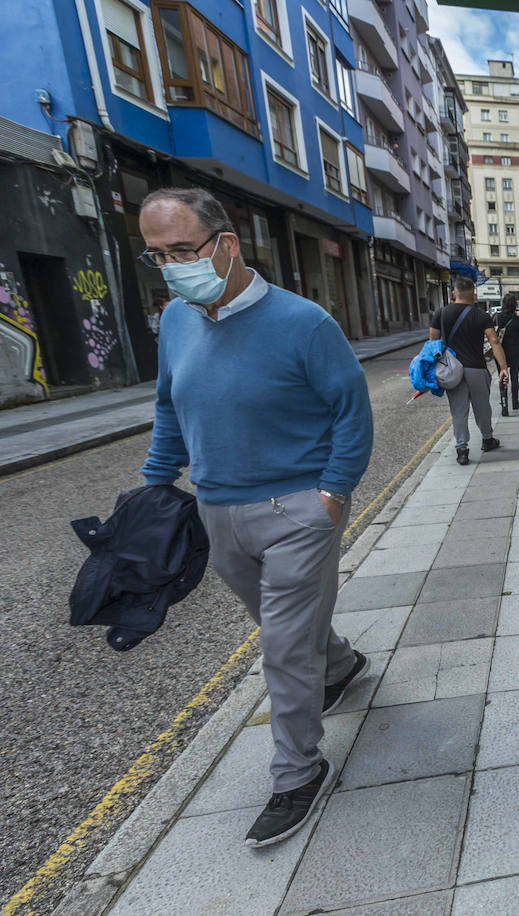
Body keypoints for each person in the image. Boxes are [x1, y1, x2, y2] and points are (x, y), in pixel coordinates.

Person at [137, 187, 374, 848]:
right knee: (279, 626)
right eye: (157, 255)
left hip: (297, 509)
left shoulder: (303, 323)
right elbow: (168, 407)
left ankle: (298, 770)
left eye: (181, 250)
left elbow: (351, 411)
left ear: (227, 245)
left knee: (279, 645)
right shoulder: (178, 322)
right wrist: (154, 484)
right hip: (218, 511)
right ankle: (339, 664)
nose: (171, 266)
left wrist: (332, 492)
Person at [430, 275, 508, 465]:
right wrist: (503, 368)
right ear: (474, 294)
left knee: (458, 410)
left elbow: (433, 344)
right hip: (477, 368)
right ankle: (487, 439)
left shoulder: (441, 313)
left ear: (454, 293)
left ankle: (462, 450)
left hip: (452, 371)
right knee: (482, 406)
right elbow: (494, 341)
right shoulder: (481, 315)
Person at [495, 291, 519, 415]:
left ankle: (504, 404)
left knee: (502, 376)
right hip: (515, 352)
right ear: (515, 305)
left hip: (500, 352)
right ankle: (515, 402)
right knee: (514, 377)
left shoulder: (496, 318)